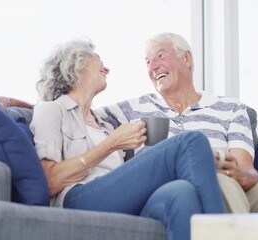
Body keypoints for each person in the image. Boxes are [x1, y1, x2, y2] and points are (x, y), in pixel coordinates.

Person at [30, 39, 225, 240]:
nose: (106, 69)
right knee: (191, 142)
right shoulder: (51, 110)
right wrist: (112, 144)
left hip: (117, 197)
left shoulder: (104, 122)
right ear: (76, 65)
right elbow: (50, 180)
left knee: (181, 192)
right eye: (99, 62)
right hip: (77, 197)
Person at [98, 32, 258, 213]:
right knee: (216, 179)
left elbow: (248, 172)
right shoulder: (135, 108)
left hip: (233, 192)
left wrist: (240, 174)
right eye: (147, 62)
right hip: (176, 195)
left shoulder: (231, 108)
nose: (153, 67)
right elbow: (81, 111)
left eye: (160, 56)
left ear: (187, 58)